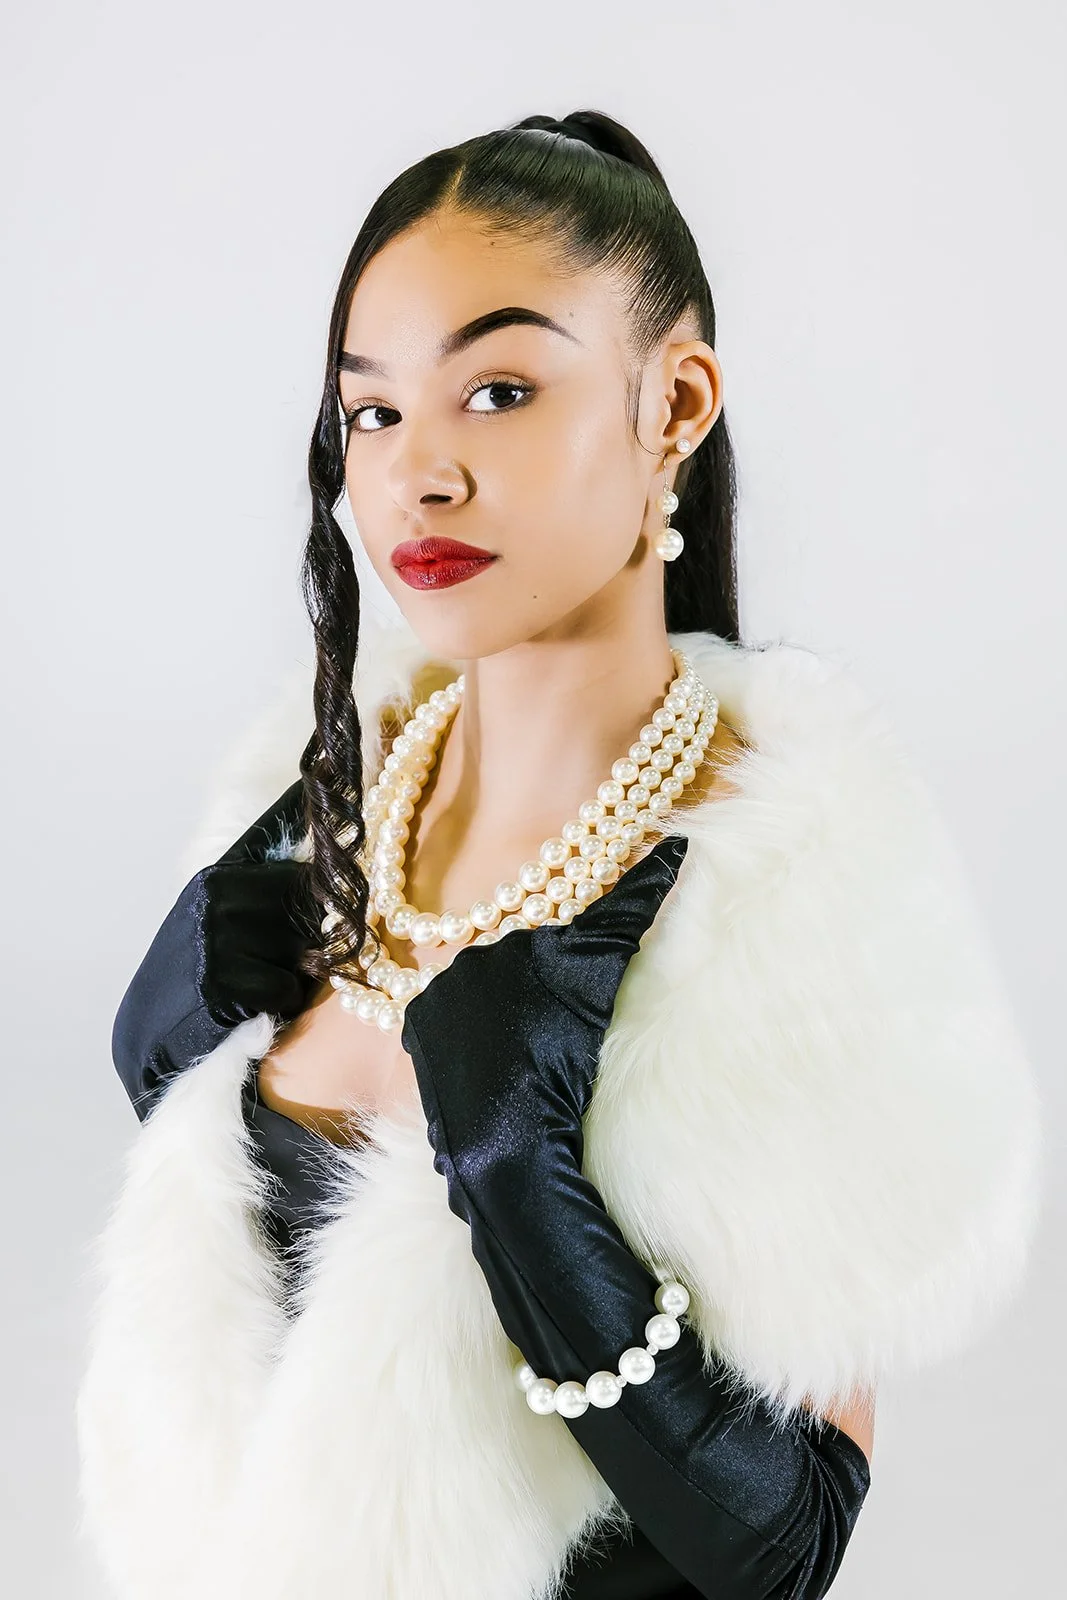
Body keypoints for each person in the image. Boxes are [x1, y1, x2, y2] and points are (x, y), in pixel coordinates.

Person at [75, 111, 1043, 1600]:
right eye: (375, 413)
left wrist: (530, 1193)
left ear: (674, 406)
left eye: (501, 390)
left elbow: (784, 1548)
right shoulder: (307, 810)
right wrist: (170, 1072)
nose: (416, 477)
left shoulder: (789, 895)